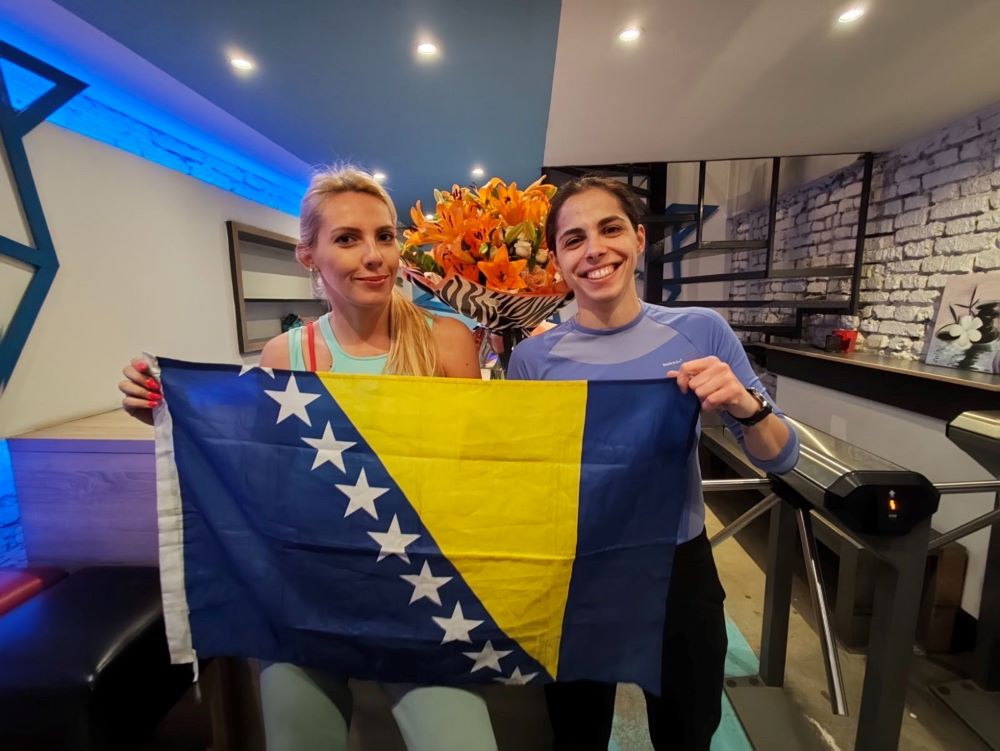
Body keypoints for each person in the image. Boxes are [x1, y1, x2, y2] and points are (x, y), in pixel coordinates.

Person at [119, 167, 497, 751]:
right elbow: (255, 468)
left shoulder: (446, 341)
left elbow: (474, 469)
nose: (374, 256)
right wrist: (167, 416)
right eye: (347, 239)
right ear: (308, 256)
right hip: (311, 594)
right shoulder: (285, 354)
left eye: (385, 236)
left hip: (420, 593)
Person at [507, 175, 800, 751]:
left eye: (610, 229)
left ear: (639, 239)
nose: (595, 250)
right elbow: (526, 478)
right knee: (576, 732)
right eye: (574, 239)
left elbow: (781, 457)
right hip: (577, 574)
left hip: (676, 570)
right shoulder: (533, 358)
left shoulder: (701, 331)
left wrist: (746, 405)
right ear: (557, 260)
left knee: (686, 730)